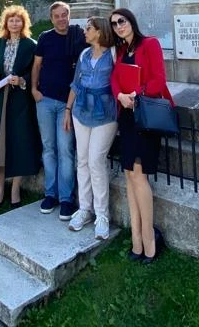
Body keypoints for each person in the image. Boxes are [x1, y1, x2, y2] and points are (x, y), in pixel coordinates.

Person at [110, 7, 173, 262]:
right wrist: (119, 95)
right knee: (128, 174)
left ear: (131, 21)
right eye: (114, 24)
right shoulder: (121, 51)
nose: (118, 26)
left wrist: (135, 94)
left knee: (139, 174)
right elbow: (115, 78)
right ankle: (136, 238)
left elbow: (159, 79)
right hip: (126, 116)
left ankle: (150, 239)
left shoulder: (150, 44)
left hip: (145, 113)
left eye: (121, 21)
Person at [65, 16, 117, 240]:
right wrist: (68, 109)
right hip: (81, 111)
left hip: (105, 114)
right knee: (83, 160)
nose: (85, 32)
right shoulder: (84, 54)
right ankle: (85, 208)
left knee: (96, 160)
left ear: (99, 31)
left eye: (88, 29)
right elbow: (76, 83)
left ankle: (102, 214)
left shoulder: (113, 54)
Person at [33, 1, 85, 219]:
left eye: (65, 15)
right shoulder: (45, 38)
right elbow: (37, 65)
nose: (62, 19)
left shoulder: (78, 37)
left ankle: (66, 199)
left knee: (65, 149)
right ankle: (50, 194)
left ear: (69, 16)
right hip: (45, 100)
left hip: (67, 103)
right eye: (57, 16)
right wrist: (34, 90)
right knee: (48, 148)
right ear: (51, 18)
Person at [0, 5, 41, 207]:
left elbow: (36, 69)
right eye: (11, 20)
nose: (15, 23)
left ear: (24, 23)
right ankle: (0, 189)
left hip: (20, 100)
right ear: (6, 23)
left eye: (18, 20)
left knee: (20, 142)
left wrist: (23, 80)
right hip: (0, 98)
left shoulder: (30, 45)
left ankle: (16, 188)